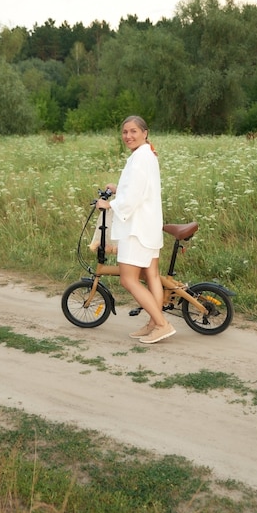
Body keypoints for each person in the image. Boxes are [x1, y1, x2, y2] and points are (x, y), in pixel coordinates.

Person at [96, 115, 176, 344]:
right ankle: (154, 322)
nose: (128, 136)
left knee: (128, 279)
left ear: (145, 132)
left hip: (137, 229)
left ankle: (162, 324)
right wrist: (118, 188)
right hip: (147, 225)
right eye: (125, 132)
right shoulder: (146, 154)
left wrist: (109, 203)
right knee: (151, 275)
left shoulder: (141, 158)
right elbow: (138, 189)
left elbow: (134, 196)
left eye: (133, 131)